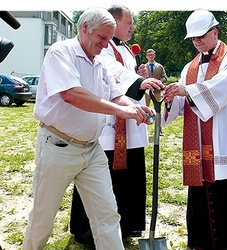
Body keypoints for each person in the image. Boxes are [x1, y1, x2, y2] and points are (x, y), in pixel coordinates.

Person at [22, 7, 156, 250]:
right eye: (102, 38)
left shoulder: (99, 61)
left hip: (92, 151)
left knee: (107, 215)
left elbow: (116, 94)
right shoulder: (60, 52)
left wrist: (136, 108)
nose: (106, 45)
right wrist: (123, 111)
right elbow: (72, 94)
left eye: (109, 39)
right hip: (58, 147)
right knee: (43, 219)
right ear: (84, 28)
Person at [161, 9, 227, 250]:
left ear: (215, 32)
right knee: (202, 187)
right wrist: (170, 97)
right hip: (199, 139)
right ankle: (201, 239)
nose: (197, 41)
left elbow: (224, 85)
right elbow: (181, 101)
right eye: (193, 38)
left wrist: (187, 91)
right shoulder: (190, 66)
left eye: (201, 35)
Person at [69, 5, 165, 245]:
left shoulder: (125, 50)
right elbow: (112, 71)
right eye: (129, 22)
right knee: (103, 176)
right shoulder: (101, 45)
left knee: (129, 173)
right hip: (108, 123)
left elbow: (125, 72)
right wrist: (139, 81)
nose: (132, 27)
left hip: (129, 123)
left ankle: (127, 223)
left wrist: (138, 73)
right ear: (113, 21)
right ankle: (88, 229)